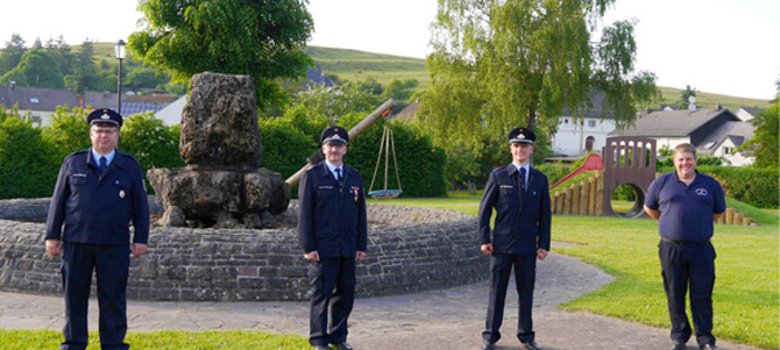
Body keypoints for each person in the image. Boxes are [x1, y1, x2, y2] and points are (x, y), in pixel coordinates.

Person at [45, 108, 150, 350]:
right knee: (74, 297)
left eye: (109, 131)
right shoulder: (73, 162)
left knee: (113, 298)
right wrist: (52, 235)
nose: (104, 135)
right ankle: (73, 343)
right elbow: (58, 201)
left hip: (114, 243)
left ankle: (113, 345)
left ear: (117, 135)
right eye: (99, 131)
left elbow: (141, 207)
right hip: (77, 241)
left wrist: (141, 238)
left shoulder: (130, 167)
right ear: (91, 134)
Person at [644, 143, 725, 350]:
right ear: (674, 161)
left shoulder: (710, 185)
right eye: (680, 159)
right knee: (674, 292)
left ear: (695, 160)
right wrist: (669, 223)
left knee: (702, 294)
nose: (684, 163)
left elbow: (717, 212)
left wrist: (696, 226)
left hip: (701, 249)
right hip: (671, 249)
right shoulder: (662, 183)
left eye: (688, 159)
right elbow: (649, 207)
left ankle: (705, 338)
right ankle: (679, 336)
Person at [478, 127, 551, 350]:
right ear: (511, 149)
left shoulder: (540, 179)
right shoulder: (498, 176)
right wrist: (484, 239)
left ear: (531, 149)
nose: (521, 149)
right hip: (501, 246)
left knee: (526, 293)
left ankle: (526, 336)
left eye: (525, 146)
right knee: (497, 292)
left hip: (528, 247)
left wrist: (543, 244)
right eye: (516, 146)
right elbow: (484, 210)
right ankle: (490, 336)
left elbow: (545, 214)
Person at [298, 126, 367, 350]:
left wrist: (360, 245)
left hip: (347, 247)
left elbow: (361, 215)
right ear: (323, 149)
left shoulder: (354, 176)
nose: (334, 149)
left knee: (345, 295)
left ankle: (339, 337)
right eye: (331, 145)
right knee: (321, 296)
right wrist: (308, 247)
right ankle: (319, 340)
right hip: (323, 248)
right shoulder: (313, 176)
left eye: (339, 146)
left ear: (345, 150)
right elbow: (305, 216)